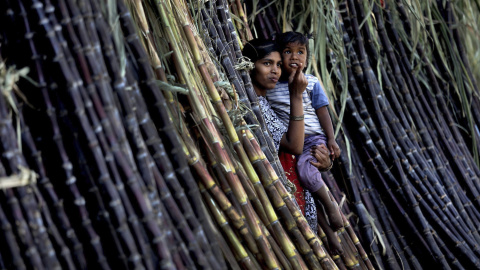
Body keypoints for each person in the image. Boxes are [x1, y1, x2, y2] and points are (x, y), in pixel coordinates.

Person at [242, 39, 338, 253]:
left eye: (277, 64)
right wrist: (296, 95)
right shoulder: (253, 106)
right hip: (278, 210)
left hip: (297, 200)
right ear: (248, 66)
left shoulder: (268, 101)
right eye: (267, 64)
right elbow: (294, 145)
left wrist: (325, 160)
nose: (275, 70)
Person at [266, 31, 343, 253]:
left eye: (301, 52)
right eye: (288, 52)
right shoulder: (272, 85)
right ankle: (329, 235)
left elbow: (322, 111)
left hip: (312, 140)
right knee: (304, 192)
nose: (295, 57)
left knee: (306, 172)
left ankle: (332, 207)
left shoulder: (312, 82)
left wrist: (331, 139)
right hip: (290, 145)